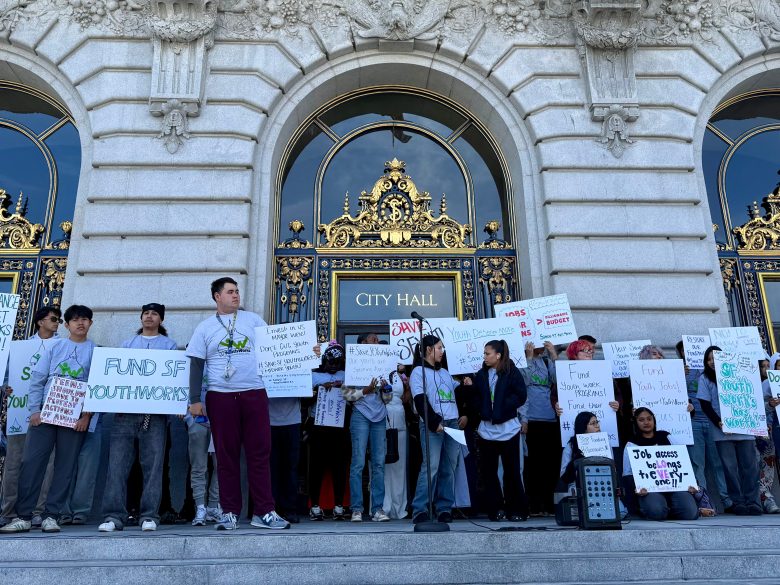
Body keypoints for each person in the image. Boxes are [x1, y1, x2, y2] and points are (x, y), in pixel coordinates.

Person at [186, 277, 289, 530]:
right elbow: (197, 364)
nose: (236, 295)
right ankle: (229, 511)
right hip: (220, 396)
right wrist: (195, 400)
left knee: (259, 453)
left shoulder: (253, 320)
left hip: (254, 393)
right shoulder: (205, 327)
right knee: (226, 455)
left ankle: (264, 512)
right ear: (216, 296)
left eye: (237, 291)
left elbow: (277, 348)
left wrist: (310, 352)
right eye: (230, 292)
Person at [1, 305, 96, 533]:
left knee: (64, 467)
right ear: (67, 325)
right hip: (45, 414)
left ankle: (51, 515)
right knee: (32, 464)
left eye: (85, 319)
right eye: (75, 320)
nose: (80, 323)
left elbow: (98, 387)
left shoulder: (96, 351)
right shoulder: (55, 346)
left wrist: (87, 415)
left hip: (74, 419)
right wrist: (34, 411)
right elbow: (37, 379)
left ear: (90, 323)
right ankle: (23, 515)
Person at [97, 303, 177, 533]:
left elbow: (172, 380)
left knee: (153, 467)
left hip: (155, 416)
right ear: (141, 318)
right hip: (125, 415)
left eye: (154, 314)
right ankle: (114, 515)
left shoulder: (169, 347)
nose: (149, 317)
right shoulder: (126, 345)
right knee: (117, 466)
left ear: (161, 320)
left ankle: (150, 514)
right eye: (146, 313)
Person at [0, 307, 60, 529]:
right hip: (20, 411)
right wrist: (6, 388)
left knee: (47, 464)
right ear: (39, 322)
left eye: (59, 320)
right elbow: (6, 377)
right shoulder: (20, 349)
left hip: (48, 414)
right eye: (53, 319)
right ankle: (8, 510)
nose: (57, 323)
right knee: (14, 463)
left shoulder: (61, 346)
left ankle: (38, 511)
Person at [697, 346, 762, 516]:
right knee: (730, 469)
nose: (712, 362)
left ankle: (753, 502)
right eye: (708, 359)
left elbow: (752, 395)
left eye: (714, 358)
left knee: (750, 467)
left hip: (745, 428)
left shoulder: (740, 373)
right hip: (722, 432)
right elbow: (705, 404)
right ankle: (738, 502)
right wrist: (718, 423)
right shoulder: (705, 378)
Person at [410, 335, 467, 524]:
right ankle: (420, 509)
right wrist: (434, 422)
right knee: (431, 467)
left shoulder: (445, 373)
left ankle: (444, 508)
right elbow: (420, 400)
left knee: (448, 468)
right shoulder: (418, 372)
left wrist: (467, 389)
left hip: (452, 424)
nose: (442, 351)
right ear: (428, 350)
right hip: (433, 424)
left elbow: (456, 393)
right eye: (439, 348)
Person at [473, 340, 528, 521]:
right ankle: (496, 509)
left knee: (511, 471)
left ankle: (517, 509)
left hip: (508, 429)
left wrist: (502, 407)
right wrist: (483, 409)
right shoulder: (481, 374)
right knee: (489, 472)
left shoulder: (512, 372)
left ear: (498, 355)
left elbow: (521, 395)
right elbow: (476, 397)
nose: (485, 357)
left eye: (487, 353)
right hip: (486, 430)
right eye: (484, 354)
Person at [676, 340, 731, 512]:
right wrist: (678, 375)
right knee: (698, 463)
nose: (688, 352)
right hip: (694, 422)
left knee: (718, 462)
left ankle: (726, 499)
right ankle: (704, 500)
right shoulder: (679, 371)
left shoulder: (712, 371)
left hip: (714, 422)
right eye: (684, 350)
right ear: (681, 354)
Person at [342, 332, 391, 523]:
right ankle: (356, 509)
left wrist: (386, 389)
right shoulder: (353, 365)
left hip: (379, 417)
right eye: (373, 339)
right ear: (363, 343)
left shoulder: (383, 364)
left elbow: (388, 400)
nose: (377, 342)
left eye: (378, 339)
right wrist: (365, 391)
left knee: (379, 464)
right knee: (358, 463)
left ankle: (377, 509)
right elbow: (346, 394)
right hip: (360, 416)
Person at [622, 407, 699, 521]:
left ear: (654, 420)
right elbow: (627, 473)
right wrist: (637, 488)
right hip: (650, 490)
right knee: (656, 512)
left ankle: (672, 509)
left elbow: (683, 461)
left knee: (691, 513)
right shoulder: (632, 444)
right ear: (636, 423)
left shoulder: (666, 437)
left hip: (675, 487)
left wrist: (692, 483)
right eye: (641, 420)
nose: (646, 422)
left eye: (649, 419)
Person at [308, 342, 350, 521]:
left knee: (339, 466)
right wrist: (317, 391)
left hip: (340, 427)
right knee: (316, 466)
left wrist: (343, 389)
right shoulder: (313, 375)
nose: (333, 366)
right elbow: (302, 397)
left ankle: (339, 506)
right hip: (318, 427)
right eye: (330, 362)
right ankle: (315, 506)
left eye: (337, 363)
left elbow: (354, 397)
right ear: (324, 359)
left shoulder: (347, 375)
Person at [520, 340, 559, 516]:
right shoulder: (521, 360)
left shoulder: (545, 360)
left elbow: (559, 380)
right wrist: (528, 358)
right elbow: (523, 382)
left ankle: (549, 503)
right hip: (531, 418)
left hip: (549, 418)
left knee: (549, 464)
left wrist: (553, 356)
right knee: (532, 464)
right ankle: (534, 504)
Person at [383, 364, 410, 519]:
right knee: (384, 465)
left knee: (399, 465)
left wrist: (407, 386)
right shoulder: (374, 372)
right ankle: (384, 506)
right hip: (382, 418)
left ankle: (399, 507)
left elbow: (405, 399)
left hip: (399, 419)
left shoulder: (399, 375)